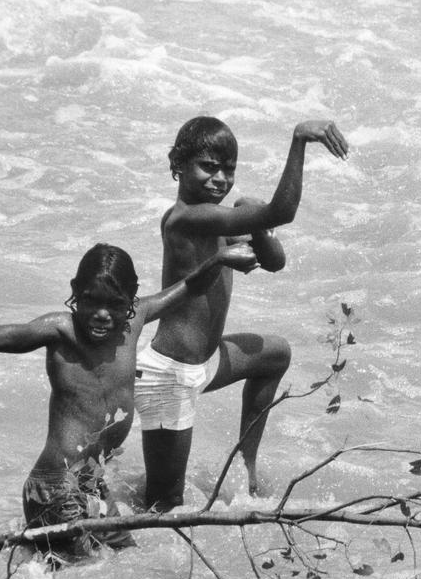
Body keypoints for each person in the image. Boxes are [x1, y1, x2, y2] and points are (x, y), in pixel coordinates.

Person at [0, 242, 257, 557]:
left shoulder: (136, 319)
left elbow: (189, 288)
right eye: (91, 301)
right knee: (88, 578)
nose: (101, 314)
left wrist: (219, 259)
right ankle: (11, 540)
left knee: (128, 563)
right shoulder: (60, 331)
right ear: (75, 293)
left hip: (91, 483)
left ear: (131, 300)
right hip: (54, 488)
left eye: (115, 304)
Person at [134, 116, 349, 511]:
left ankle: (246, 469)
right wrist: (299, 140)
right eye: (208, 167)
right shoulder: (186, 218)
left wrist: (260, 230)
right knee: (163, 507)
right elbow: (282, 210)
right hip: (169, 375)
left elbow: (276, 262)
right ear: (178, 165)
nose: (220, 179)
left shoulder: (218, 219)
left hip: (207, 362)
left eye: (228, 170)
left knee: (276, 354)